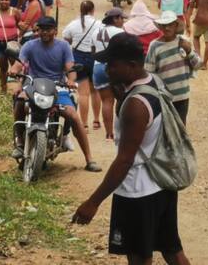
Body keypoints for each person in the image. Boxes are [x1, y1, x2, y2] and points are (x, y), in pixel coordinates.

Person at [73, 33, 191, 265]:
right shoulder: (154, 81)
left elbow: (124, 160)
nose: (107, 69)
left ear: (132, 65)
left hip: (138, 192)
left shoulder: (135, 105)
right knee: (172, 250)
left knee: (139, 257)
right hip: (162, 184)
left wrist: (93, 202)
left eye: (112, 64)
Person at [9, 16, 102, 172]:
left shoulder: (64, 46)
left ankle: (89, 159)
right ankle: (19, 143)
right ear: (38, 30)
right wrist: (14, 71)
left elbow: (70, 68)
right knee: (19, 101)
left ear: (55, 31)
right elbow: (20, 63)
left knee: (73, 115)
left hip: (57, 87)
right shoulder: (29, 46)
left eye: (48, 29)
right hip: (33, 85)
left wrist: (71, 81)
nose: (45, 32)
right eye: (42, 29)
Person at [145, 11, 201, 124]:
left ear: (176, 26)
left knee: (180, 127)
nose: (167, 28)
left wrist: (189, 51)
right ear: (160, 27)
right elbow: (149, 72)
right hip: (163, 96)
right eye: (164, 25)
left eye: (170, 24)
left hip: (182, 95)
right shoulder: (154, 46)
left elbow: (198, 65)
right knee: (165, 128)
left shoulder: (184, 42)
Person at [63, 1, 103, 131]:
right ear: (93, 10)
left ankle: (84, 124)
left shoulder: (73, 24)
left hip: (78, 58)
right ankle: (96, 121)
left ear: (80, 10)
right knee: (95, 90)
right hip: (94, 57)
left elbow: (66, 37)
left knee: (83, 93)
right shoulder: (98, 24)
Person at [93, 8, 127, 140]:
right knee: (122, 99)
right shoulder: (120, 32)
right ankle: (122, 130)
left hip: (98, 66)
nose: (123, 21)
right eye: (121, 18)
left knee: (106, 101)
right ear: (115, 19)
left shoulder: (96, 31)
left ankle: (109, 133)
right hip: (115, 66)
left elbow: (93, 50)